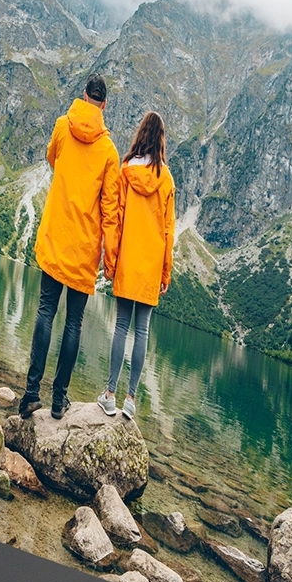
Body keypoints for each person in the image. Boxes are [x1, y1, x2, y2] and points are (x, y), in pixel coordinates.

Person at [18, 74, 121, 420]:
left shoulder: (63, 125)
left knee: (45, 310)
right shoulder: (109, 152)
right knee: (74, 323)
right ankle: (59, 399)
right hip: (84, 247)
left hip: (57, 233)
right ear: (104, 104)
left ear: (83, 95)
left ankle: (31, 394)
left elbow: (52, 158)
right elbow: (110, 210)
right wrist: (111, 258)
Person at [98, 111, 175, 420]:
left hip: (128, 260)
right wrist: (166, 271)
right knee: (142, 330)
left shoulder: (126, 170)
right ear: (161, 140)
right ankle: (131, 400)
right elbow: (168, 230)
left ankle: (109, 394)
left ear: (140, 135)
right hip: (151, 265)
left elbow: (116, 218)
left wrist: (110, 260)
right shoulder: (166, 179)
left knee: (121, 325)